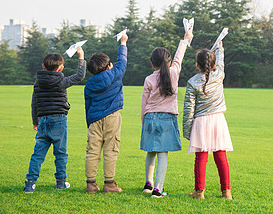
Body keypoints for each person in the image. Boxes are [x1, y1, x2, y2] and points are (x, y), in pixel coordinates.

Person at [24, 47, 86, 193]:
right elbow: (79, 76)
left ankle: (30, 184)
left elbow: (34, 102)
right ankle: (61, 183)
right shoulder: (61, 81)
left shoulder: (38, 81)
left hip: (43, 120)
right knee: (60, 153)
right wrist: (81, 57)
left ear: (43, 66)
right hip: (58, 120)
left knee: (38, 154)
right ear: (61, 68)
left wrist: (35, 121)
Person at [140, 28, 193, 198]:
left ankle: (148, 184)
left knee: (151, 151)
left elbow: (144, 103)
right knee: (163, 153)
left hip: (150, 117)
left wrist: (144, 121)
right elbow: (179, 56)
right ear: (169, 62)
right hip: (167, 118)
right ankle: (158, 189)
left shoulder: (148, 79)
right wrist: (185, 39)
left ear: (152, 63)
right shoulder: (174, 73)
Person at [183, 41, 233, 199]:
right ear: (214, 65)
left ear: (197, 65)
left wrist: (187, 130)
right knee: (221, 156)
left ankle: (199, 192)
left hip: (201, 122)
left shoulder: (192, 82)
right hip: (218, 120)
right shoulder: (219, 75)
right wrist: (220, 47)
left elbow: (188, 110)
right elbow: (221, 61)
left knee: (201, 157)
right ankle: (226, 192)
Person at [84, 34, 128, 193]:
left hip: (94, 119)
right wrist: (123, 42)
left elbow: (87, 104)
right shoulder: (116, 74)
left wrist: (89, 122)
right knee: (111, 150)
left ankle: (91, 184)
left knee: (92, 151)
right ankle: (109, 184)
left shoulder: (89, 84)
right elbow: (122, 61)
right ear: (109, 65)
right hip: (112, 117)